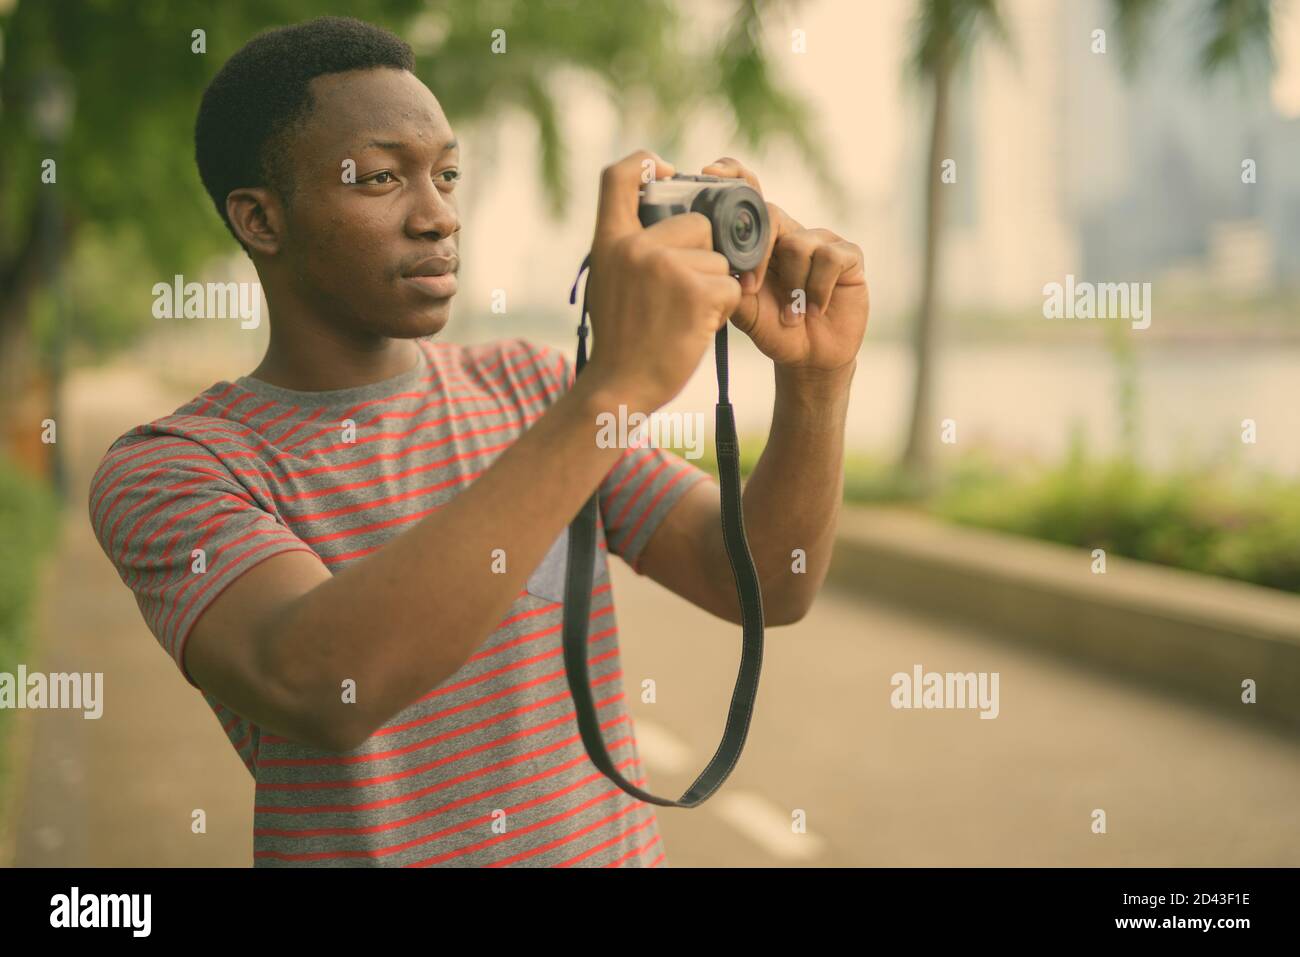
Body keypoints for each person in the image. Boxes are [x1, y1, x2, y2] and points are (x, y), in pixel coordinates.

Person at [88, 15, 867, 867]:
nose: (438, 218)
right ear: (261, 220)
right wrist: (615, 388)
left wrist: (816, 381)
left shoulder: (530, 388)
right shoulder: (174, 467)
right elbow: (319, 681)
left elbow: (762, 581)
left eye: (448, 176)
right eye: (382, 178)